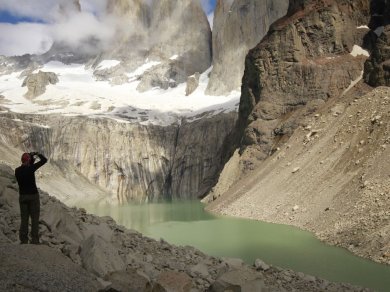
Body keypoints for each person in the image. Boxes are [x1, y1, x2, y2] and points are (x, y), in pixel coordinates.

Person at [15, 152, 48, 244]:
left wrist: (31, 157)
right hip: (33, 196)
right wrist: (37, 154)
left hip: (22, 197)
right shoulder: (31, 168)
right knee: (34, 219)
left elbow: (28, 166)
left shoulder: (17, 170)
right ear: (29, 161)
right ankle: (35, 240)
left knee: (24, 219)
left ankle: (23, 240)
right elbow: (44, 160)